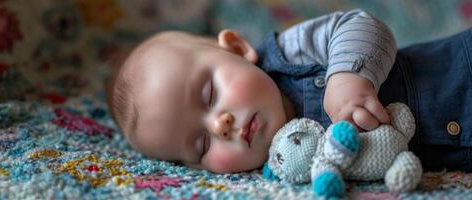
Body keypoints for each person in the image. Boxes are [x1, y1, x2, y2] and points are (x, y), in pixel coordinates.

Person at [106, 9, 471, 174]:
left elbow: (361, 24)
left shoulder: (287, 53)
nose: (220, 125)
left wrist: (346, 78)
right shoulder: (286, 166)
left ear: (236, 49)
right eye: (201, 145)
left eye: (208, 95)